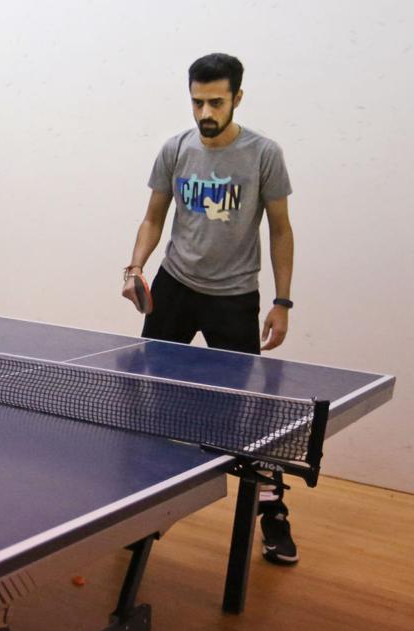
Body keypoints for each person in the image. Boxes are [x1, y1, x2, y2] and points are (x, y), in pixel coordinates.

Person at [121, 53, 298, 565]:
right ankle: (137, 510)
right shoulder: (175, 149)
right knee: (149, 400)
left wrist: (282, 301)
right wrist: (136, 266)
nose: (205, 111)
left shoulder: (264, 153)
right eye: (197, 101)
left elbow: (281, 229)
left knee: (253, 414)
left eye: (216, 101)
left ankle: (273, 513)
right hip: (174, 286)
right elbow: (153, 217)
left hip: (234, 297)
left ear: (237, 98)